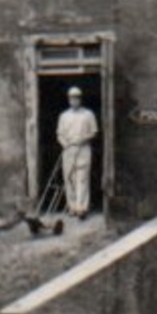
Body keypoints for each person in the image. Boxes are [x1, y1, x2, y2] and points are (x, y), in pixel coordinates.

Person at [56, 87, 98, 219]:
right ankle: (72, 207)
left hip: (83, 149)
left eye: (77, 98)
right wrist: (65, 144)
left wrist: (83, 139)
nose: (74, 101)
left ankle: (82, 208)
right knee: (69, 179)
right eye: (72, 98)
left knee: (82, 179)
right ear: (68, 100)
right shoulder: (63, 116)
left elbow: (94, 132)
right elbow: (59, 134)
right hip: (68, 150)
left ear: (80, 99)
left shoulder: (88, 114)